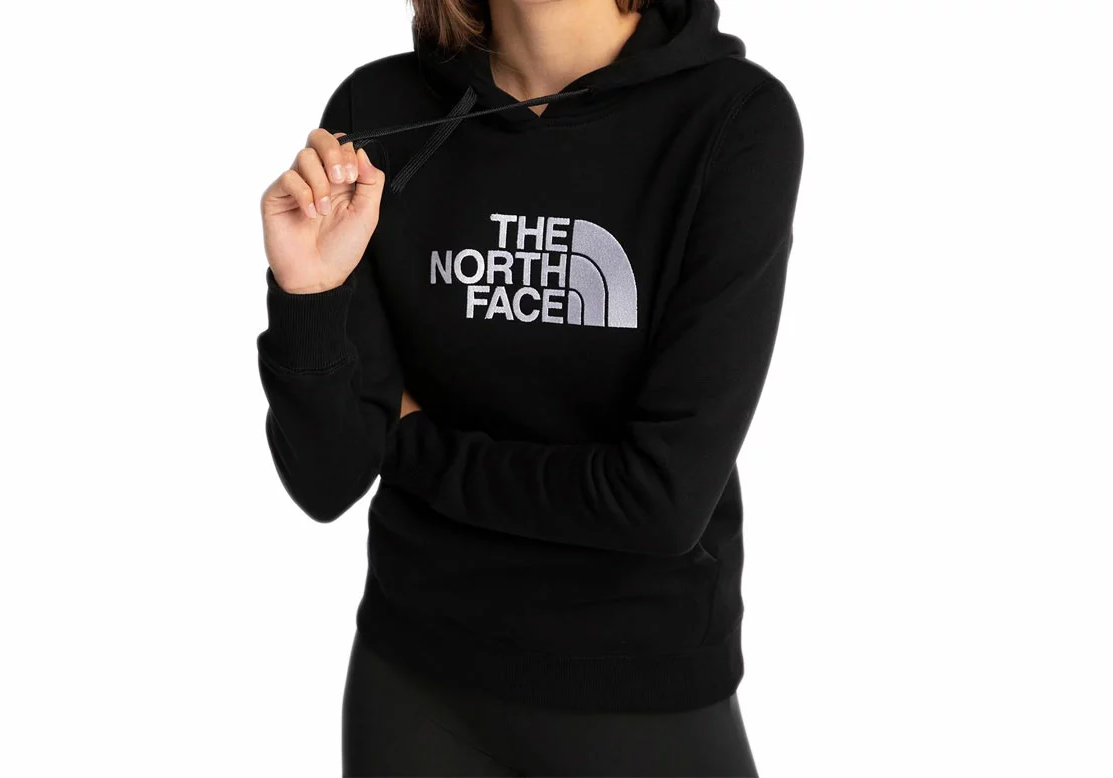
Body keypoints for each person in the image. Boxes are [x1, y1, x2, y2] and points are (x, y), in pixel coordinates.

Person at [256, 0, 803, 774]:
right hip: (412, 689)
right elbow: (328, 478)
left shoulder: (731, 118)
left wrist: (409, 441)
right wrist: (308, 293)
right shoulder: (378, 111)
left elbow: (658, 502)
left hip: (640, 695)